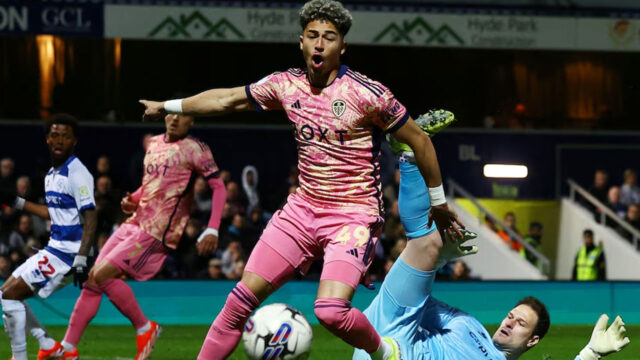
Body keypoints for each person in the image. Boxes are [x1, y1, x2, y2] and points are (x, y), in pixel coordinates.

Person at [140, 1, 462, 359]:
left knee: (330, 311)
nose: (320, 44)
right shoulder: (286, 85)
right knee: (236, 305)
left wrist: (439, 202)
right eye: (313, 36)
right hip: (303, 210)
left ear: (343, 46)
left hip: (352, 216)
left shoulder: (368, 93)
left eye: (329, 37)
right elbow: (227, 100)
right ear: (301, 42)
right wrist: (168, 105)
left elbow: (419, 138)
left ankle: (385, 351)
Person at [354, 122, 630, 359]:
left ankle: (412, 157)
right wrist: (431, 262)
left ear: (532, 341)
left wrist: (589, 354)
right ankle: (410, 156)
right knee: (425, 251)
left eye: (521, 323)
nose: (510, 322)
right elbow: (416, 303)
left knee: (428, 247)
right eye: (512, 316)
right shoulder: (468, 324)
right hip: (386, 333)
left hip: (392, 352)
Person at [56, 112, 227, 360]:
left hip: (158, 230)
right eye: (171, 114)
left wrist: (212, 227)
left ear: (192, 122)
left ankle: (145, 328)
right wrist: (134, 199)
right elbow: (151, 184)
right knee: (92, 281)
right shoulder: (154, 143)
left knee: (102, 275)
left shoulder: (196, 149)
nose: (175, 119)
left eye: (182, 116)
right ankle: (68, 348)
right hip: (135, 221)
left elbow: (218, 187)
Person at [0, 114, 97, 360]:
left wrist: (82, 258)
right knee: (7, 294)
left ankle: (21, 356)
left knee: (10, 295)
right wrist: (17, 202)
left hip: (69, 255)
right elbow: (53, 213)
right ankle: (47, 345)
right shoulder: (52, 174)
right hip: (55, 250)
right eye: (55, 135)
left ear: (74, 141)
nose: (59, 140)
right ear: (47, 139)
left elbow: (91, 216)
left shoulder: (78, 173)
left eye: (66, 136)